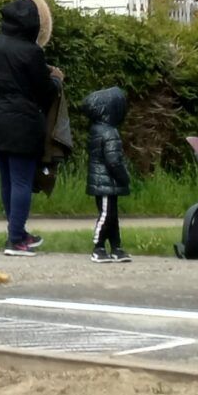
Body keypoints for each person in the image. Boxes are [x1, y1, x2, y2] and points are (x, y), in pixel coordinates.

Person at [0, 0, 59, 256]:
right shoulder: (31, 51)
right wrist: (56, 80)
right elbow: (45, 91)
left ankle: (17, 232)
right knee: (22, 181)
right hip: (23, 122)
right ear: (33, 23)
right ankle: (16, 239)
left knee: (7, 180)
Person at [84, 86, 131, 263]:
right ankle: (98, 247)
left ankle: (116, 247)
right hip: (106, 182)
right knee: (106, 215)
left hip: (104, 181)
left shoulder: (97, 129)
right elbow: (114, 161)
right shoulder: (109, 132)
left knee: (112, 216)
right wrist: (124, 177)